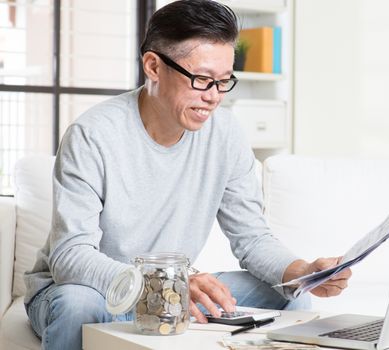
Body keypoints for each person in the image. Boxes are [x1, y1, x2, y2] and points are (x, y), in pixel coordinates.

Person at [23, 1, 351, 349]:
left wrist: (301, 271)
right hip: (94, 292)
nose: (213, 97)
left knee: (291, 295)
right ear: (153, 66)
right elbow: (70, 256)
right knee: (78, 304)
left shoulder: (225, 134)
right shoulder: (93, 134)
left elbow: (253, 239)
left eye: (224, 82)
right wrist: (165, 285)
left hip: (170, 293)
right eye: (201, 79)